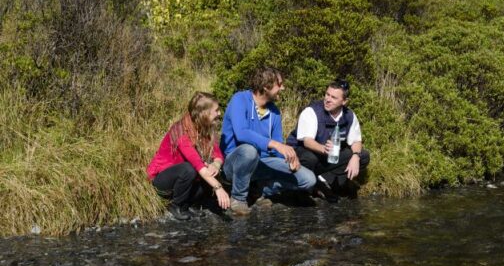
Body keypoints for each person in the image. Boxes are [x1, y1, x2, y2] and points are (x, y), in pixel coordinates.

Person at [220, 67, 316, 216]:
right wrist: (276, 145)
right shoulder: (239, 99)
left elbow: (277, 147)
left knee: (308, 179)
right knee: (249, 151)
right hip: (235, 163)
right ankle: (238, 198)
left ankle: (259, 190)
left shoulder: (275, 112)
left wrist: (290, 159)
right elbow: (242, 133)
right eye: (280, 84)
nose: (282, 88)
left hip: (262, 162)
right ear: (266, 86)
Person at [147, 91, 230, 220]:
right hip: (163, 179)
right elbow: (197, 164)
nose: (219, 113)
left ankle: (188, 205)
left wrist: (215, 164)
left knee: (206, 173)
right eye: (216, 110)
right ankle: (176, 205)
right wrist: (218, 187)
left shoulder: (204, 127)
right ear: (204, 114)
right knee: (189, 169)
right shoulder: (181, 132)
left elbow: (217, 153)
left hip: (185, 180)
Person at [287, 79, 370, 202]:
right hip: (304, 152)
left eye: (334, 97)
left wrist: (355, 157)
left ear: (344, 101)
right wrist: (323, 149)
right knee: (310, 158)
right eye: (327, 94)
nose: (328, 99)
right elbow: (307, 141)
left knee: (363, 156)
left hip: (328, 156)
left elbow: (356, 141)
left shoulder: (349, 115)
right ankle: (305, 187)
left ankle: (326, 181)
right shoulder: (312, 112)